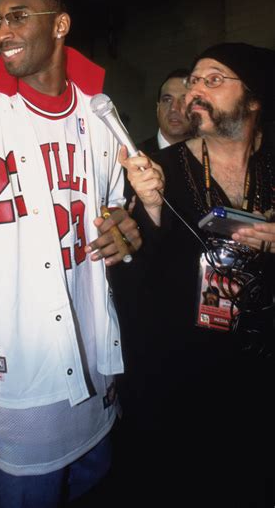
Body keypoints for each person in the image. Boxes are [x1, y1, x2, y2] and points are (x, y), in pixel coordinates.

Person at [0, 0, 142, 508]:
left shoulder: (100, 111)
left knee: (96, 481)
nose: (3, 28)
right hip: (20, 379)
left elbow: (114, 214)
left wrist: (122, 229)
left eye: (18, 15)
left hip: (97, 363)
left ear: (60, 25)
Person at [121, 41, 274, 507]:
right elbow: (132, 281)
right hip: (186, 378)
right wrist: (148, 209)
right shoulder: (159, 171)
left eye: (213, 80)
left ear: (252, 98)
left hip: (263, 371)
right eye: (193, 82)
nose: (194, 93)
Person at [138, 67, 192, 154]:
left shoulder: (211, 159)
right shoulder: (133, 156)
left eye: (184, 100)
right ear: (158, 108)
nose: (174, 108)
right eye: (167, 100)